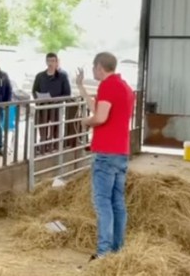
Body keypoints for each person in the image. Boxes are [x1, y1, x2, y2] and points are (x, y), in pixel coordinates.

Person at [77, 52, 134, 261]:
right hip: (121, 152)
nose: (93, 71)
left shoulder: (108, 86)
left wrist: (86, 122)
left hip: (107, 153)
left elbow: (100, 116)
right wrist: (81, 88)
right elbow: (100, 107)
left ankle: (103, 252)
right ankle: (118, 249)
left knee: (103, 203)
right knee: (117, 202)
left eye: (94, 67)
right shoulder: (125, 87)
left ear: (100, 67)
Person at [31, 52, 72, 153]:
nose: (50, 63)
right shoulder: (40, 76)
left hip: (56, 107)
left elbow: (67, 94)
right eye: (49, 61)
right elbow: (34, 90)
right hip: (42, 107)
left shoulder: (62, 77)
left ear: (57, 62)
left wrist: (55, 99)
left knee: (55, 129)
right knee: (42, 128)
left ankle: (54, 147)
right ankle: (43, 146)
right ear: (46, 62)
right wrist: (38, 99)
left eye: (53, 61)